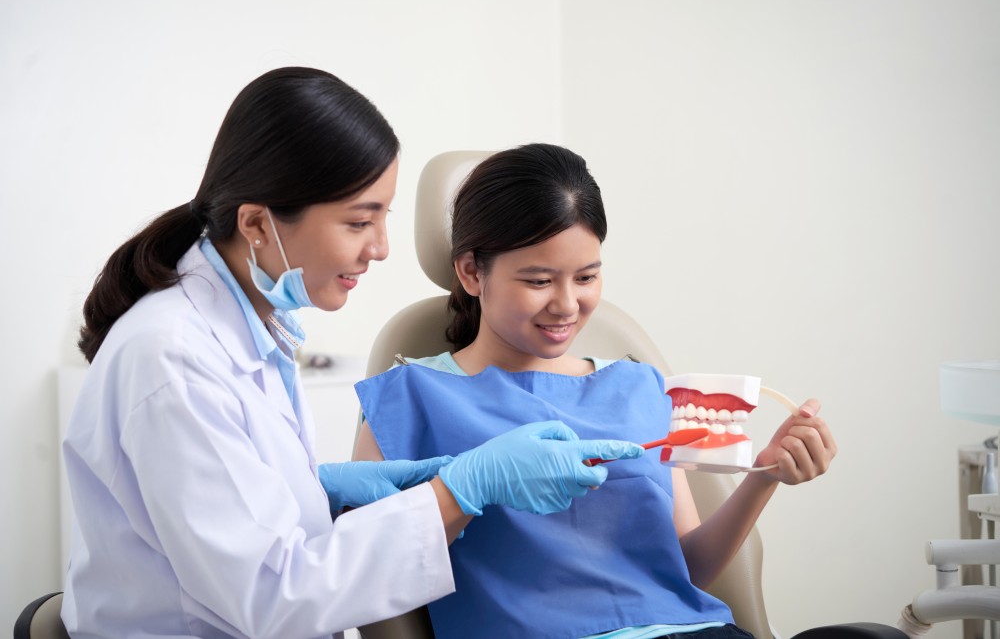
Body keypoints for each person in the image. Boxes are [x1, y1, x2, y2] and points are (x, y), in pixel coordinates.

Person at [62, 70, 643, 639]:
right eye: (359, 221)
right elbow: (274, 599)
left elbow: (235, 499)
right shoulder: (174, 360)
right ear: (259, 225)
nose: (381, 248)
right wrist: (460, 489)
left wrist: (319, 487)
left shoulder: (250, 325)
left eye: (383, 218)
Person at [353, 143, 838, 639]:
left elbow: (686, 571)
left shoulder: (638, 385)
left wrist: (765, 475)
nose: (567, 304)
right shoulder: (407, 400)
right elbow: (365, 569)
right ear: (472, 271)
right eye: (539, 280)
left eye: (586, 277)